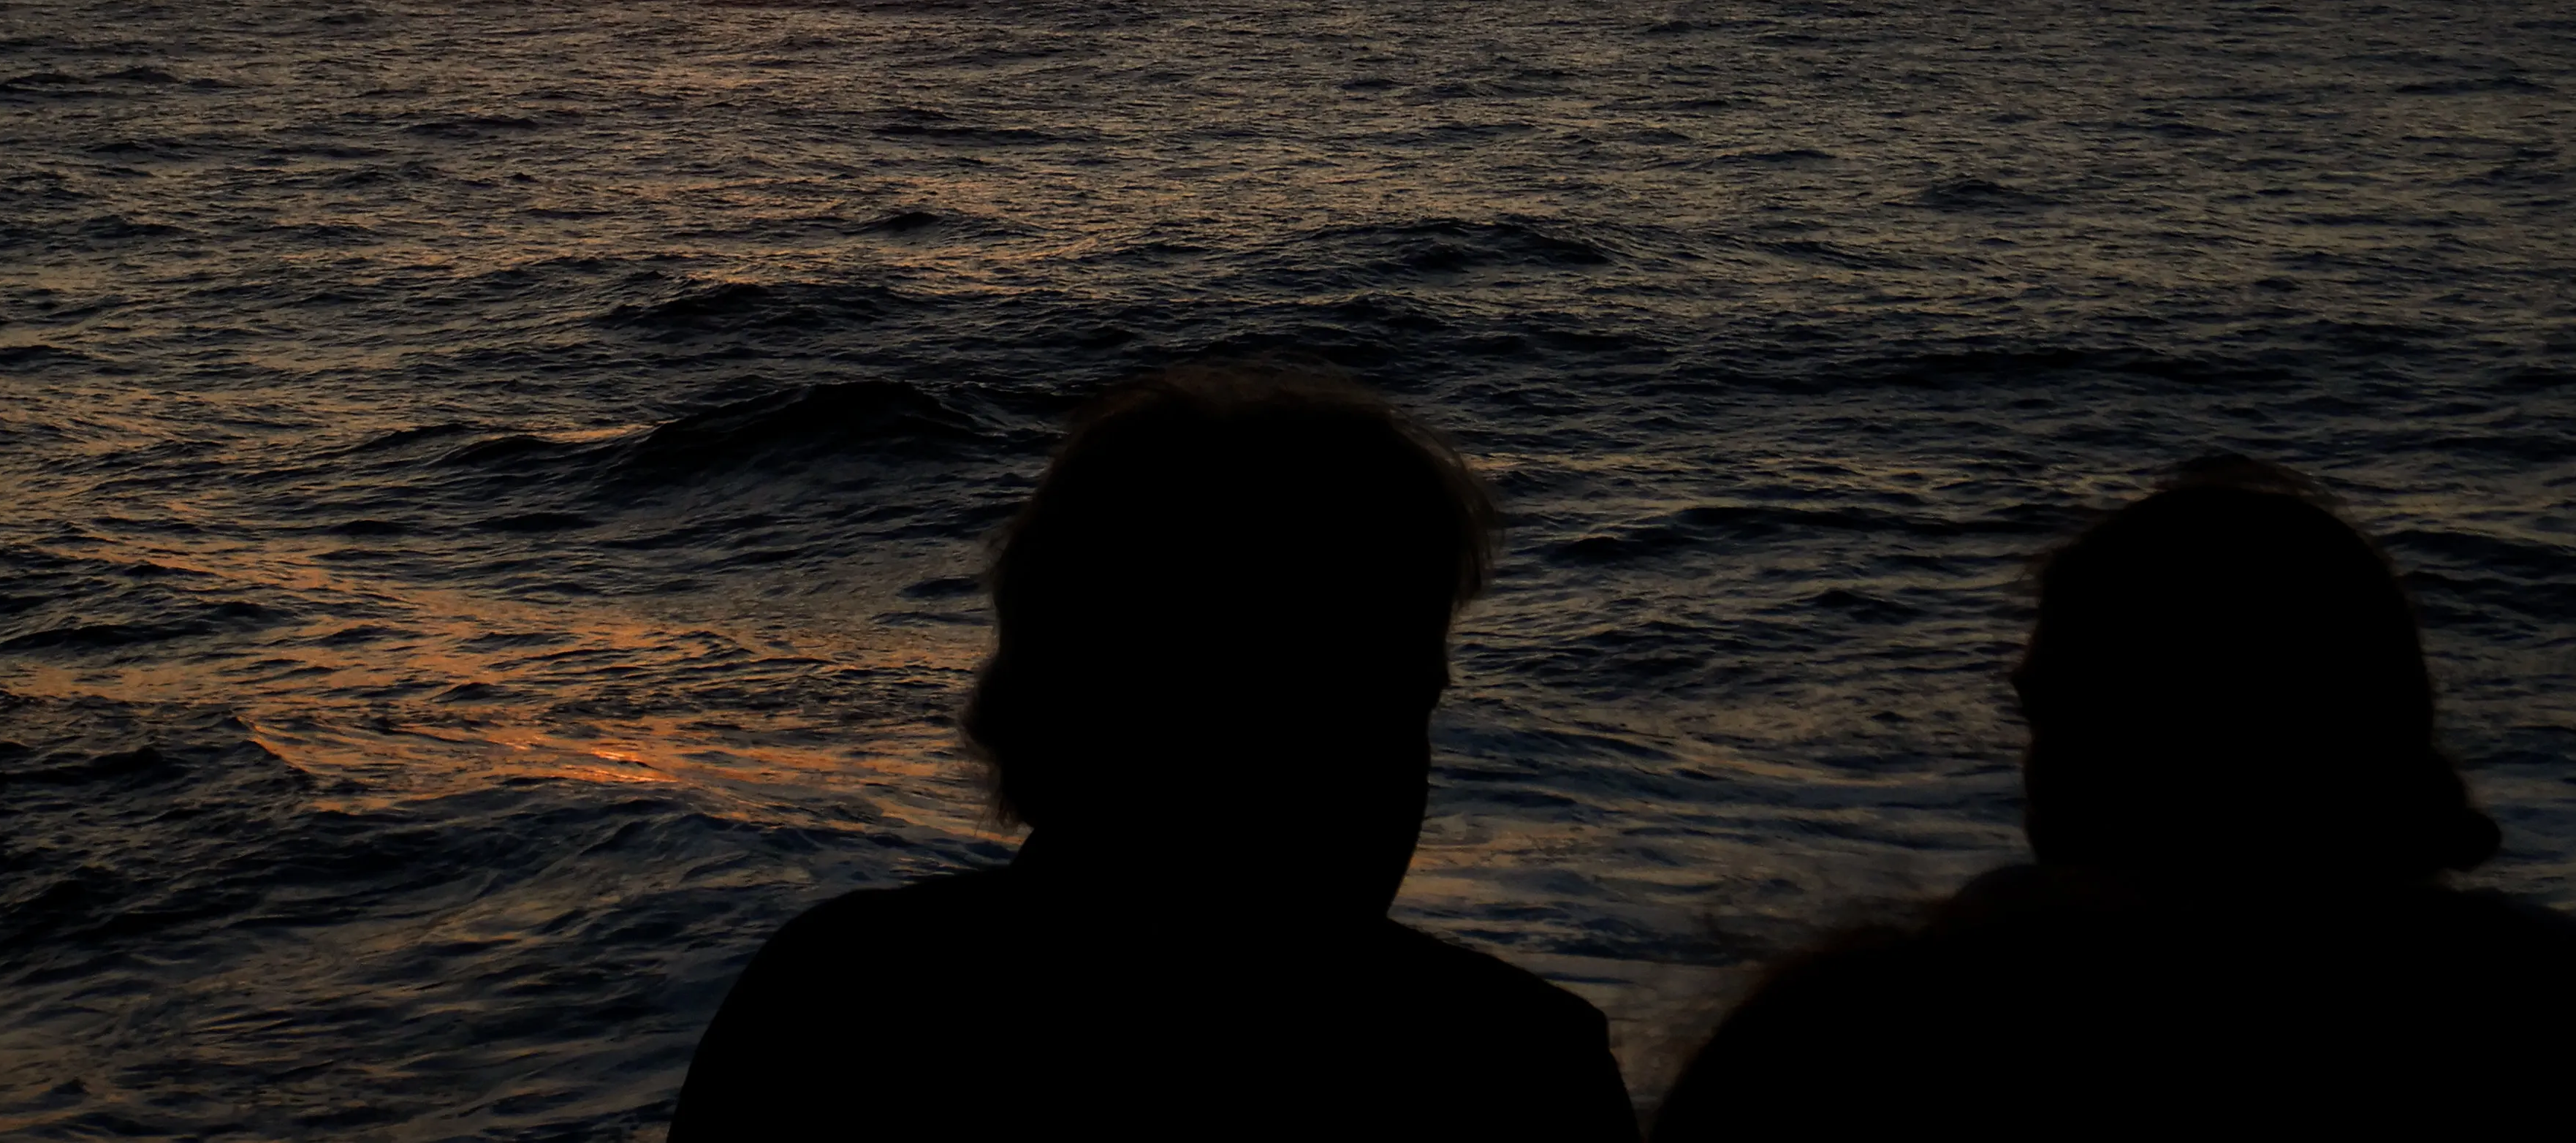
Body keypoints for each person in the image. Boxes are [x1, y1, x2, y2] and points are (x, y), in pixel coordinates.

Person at [669, 368, 1638, 1140]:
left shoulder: (837, 1007)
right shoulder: (1506, 1077)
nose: (1380, 782)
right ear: (1126, 720)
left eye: (1401, 712)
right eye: (1297, 720)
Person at [1650, 459, 2576, 1138]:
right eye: (2040, 719)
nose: (2045, 779)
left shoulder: (1871, 1052)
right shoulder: (2524, 1012)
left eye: (2090, 722)